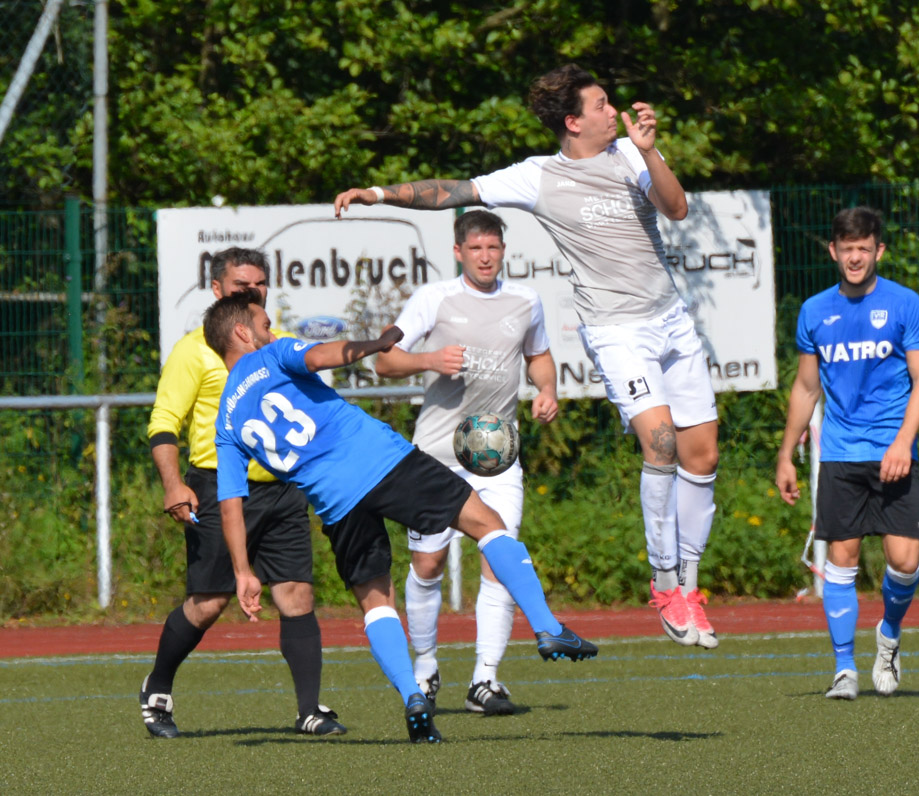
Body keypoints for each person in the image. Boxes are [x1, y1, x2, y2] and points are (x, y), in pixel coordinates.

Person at [334, 64, 720, 649]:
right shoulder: (537, 176)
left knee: (702, 454)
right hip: (616, 329)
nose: (613, 112)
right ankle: (665, 582)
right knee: (661, 442)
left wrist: (650, 151)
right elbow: (454, 192)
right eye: (601, 104)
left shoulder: (631, 153)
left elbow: (677, 208)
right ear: (572, 121)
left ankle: (689, 583)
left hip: (671, 319)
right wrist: (379, 194)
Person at [203, 290, 597, 743]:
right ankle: (547, 627)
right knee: (487, 524)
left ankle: (413, 694)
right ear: (242, 333)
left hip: (335, 503)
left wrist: (242, 571)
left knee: (376, 602)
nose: (271, 332)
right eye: (264, 325)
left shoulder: (226, 422)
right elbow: (321, 356)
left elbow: (230, 502)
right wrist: (374, 345)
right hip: (384, 463)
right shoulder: (271, 355)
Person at [143, 247, 344, 739]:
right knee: (209, 603)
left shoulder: (280, 343)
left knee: (296, 593)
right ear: (217, 290)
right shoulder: (195, 349)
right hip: (218, 489)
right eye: (240, 285)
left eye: (258, 284)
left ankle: (309, 710)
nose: (251, 292)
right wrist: (173, 483)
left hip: (282, 488)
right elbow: (164, 421)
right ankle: (157, 688)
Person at [374, 209, 558, 717]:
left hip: (496, 456)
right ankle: (426, 666)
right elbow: (384, 359)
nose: (484, 257)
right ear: (458, 252)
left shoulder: (525, 300)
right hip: (434, 456)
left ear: (503, 251)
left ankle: (486, 679)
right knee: (427, 564)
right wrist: (428, 360)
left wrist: (547, 389)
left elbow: (539, 355)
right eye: (475, 248)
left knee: (501, 560)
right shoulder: (433, 298)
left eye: (492, 248)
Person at [775, 206, 919, 700]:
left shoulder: (905, 304)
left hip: (893, 451)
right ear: (833, 251)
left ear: (878, 251)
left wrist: (903, 442)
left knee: (904, 561)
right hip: (841, 453)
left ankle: (889, 635)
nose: (855, 257)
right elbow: (806, 388)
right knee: (842, 559)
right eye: (847, 249)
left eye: (864, 248)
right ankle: (844, 668)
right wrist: (786, 454)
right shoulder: (814, 311)